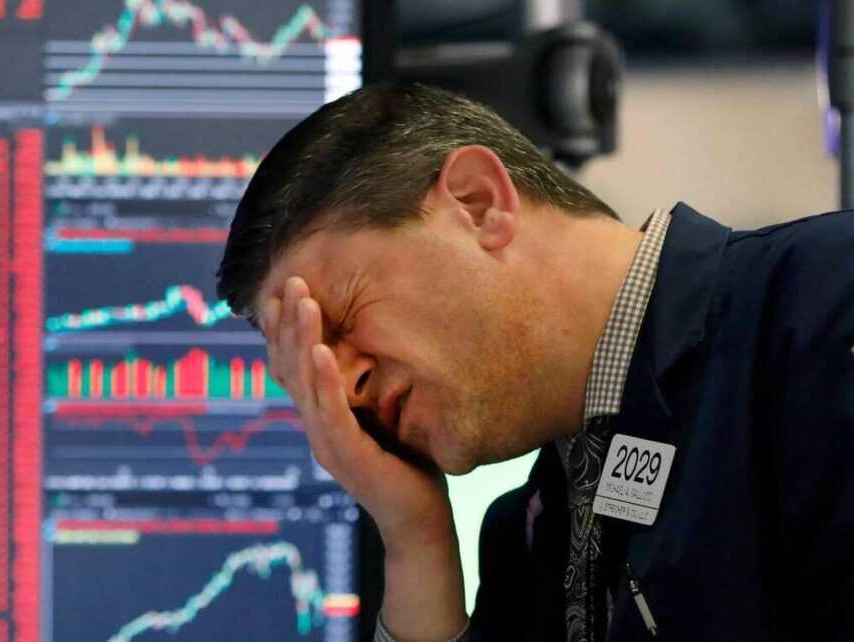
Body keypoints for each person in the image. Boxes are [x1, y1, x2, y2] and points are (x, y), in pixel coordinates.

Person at [215, 83, 854, 642]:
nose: (346, 388)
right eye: (311, 367)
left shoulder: (826, 307)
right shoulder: (529, 540)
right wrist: (416, 541)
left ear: (479, 202)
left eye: (342, 317)